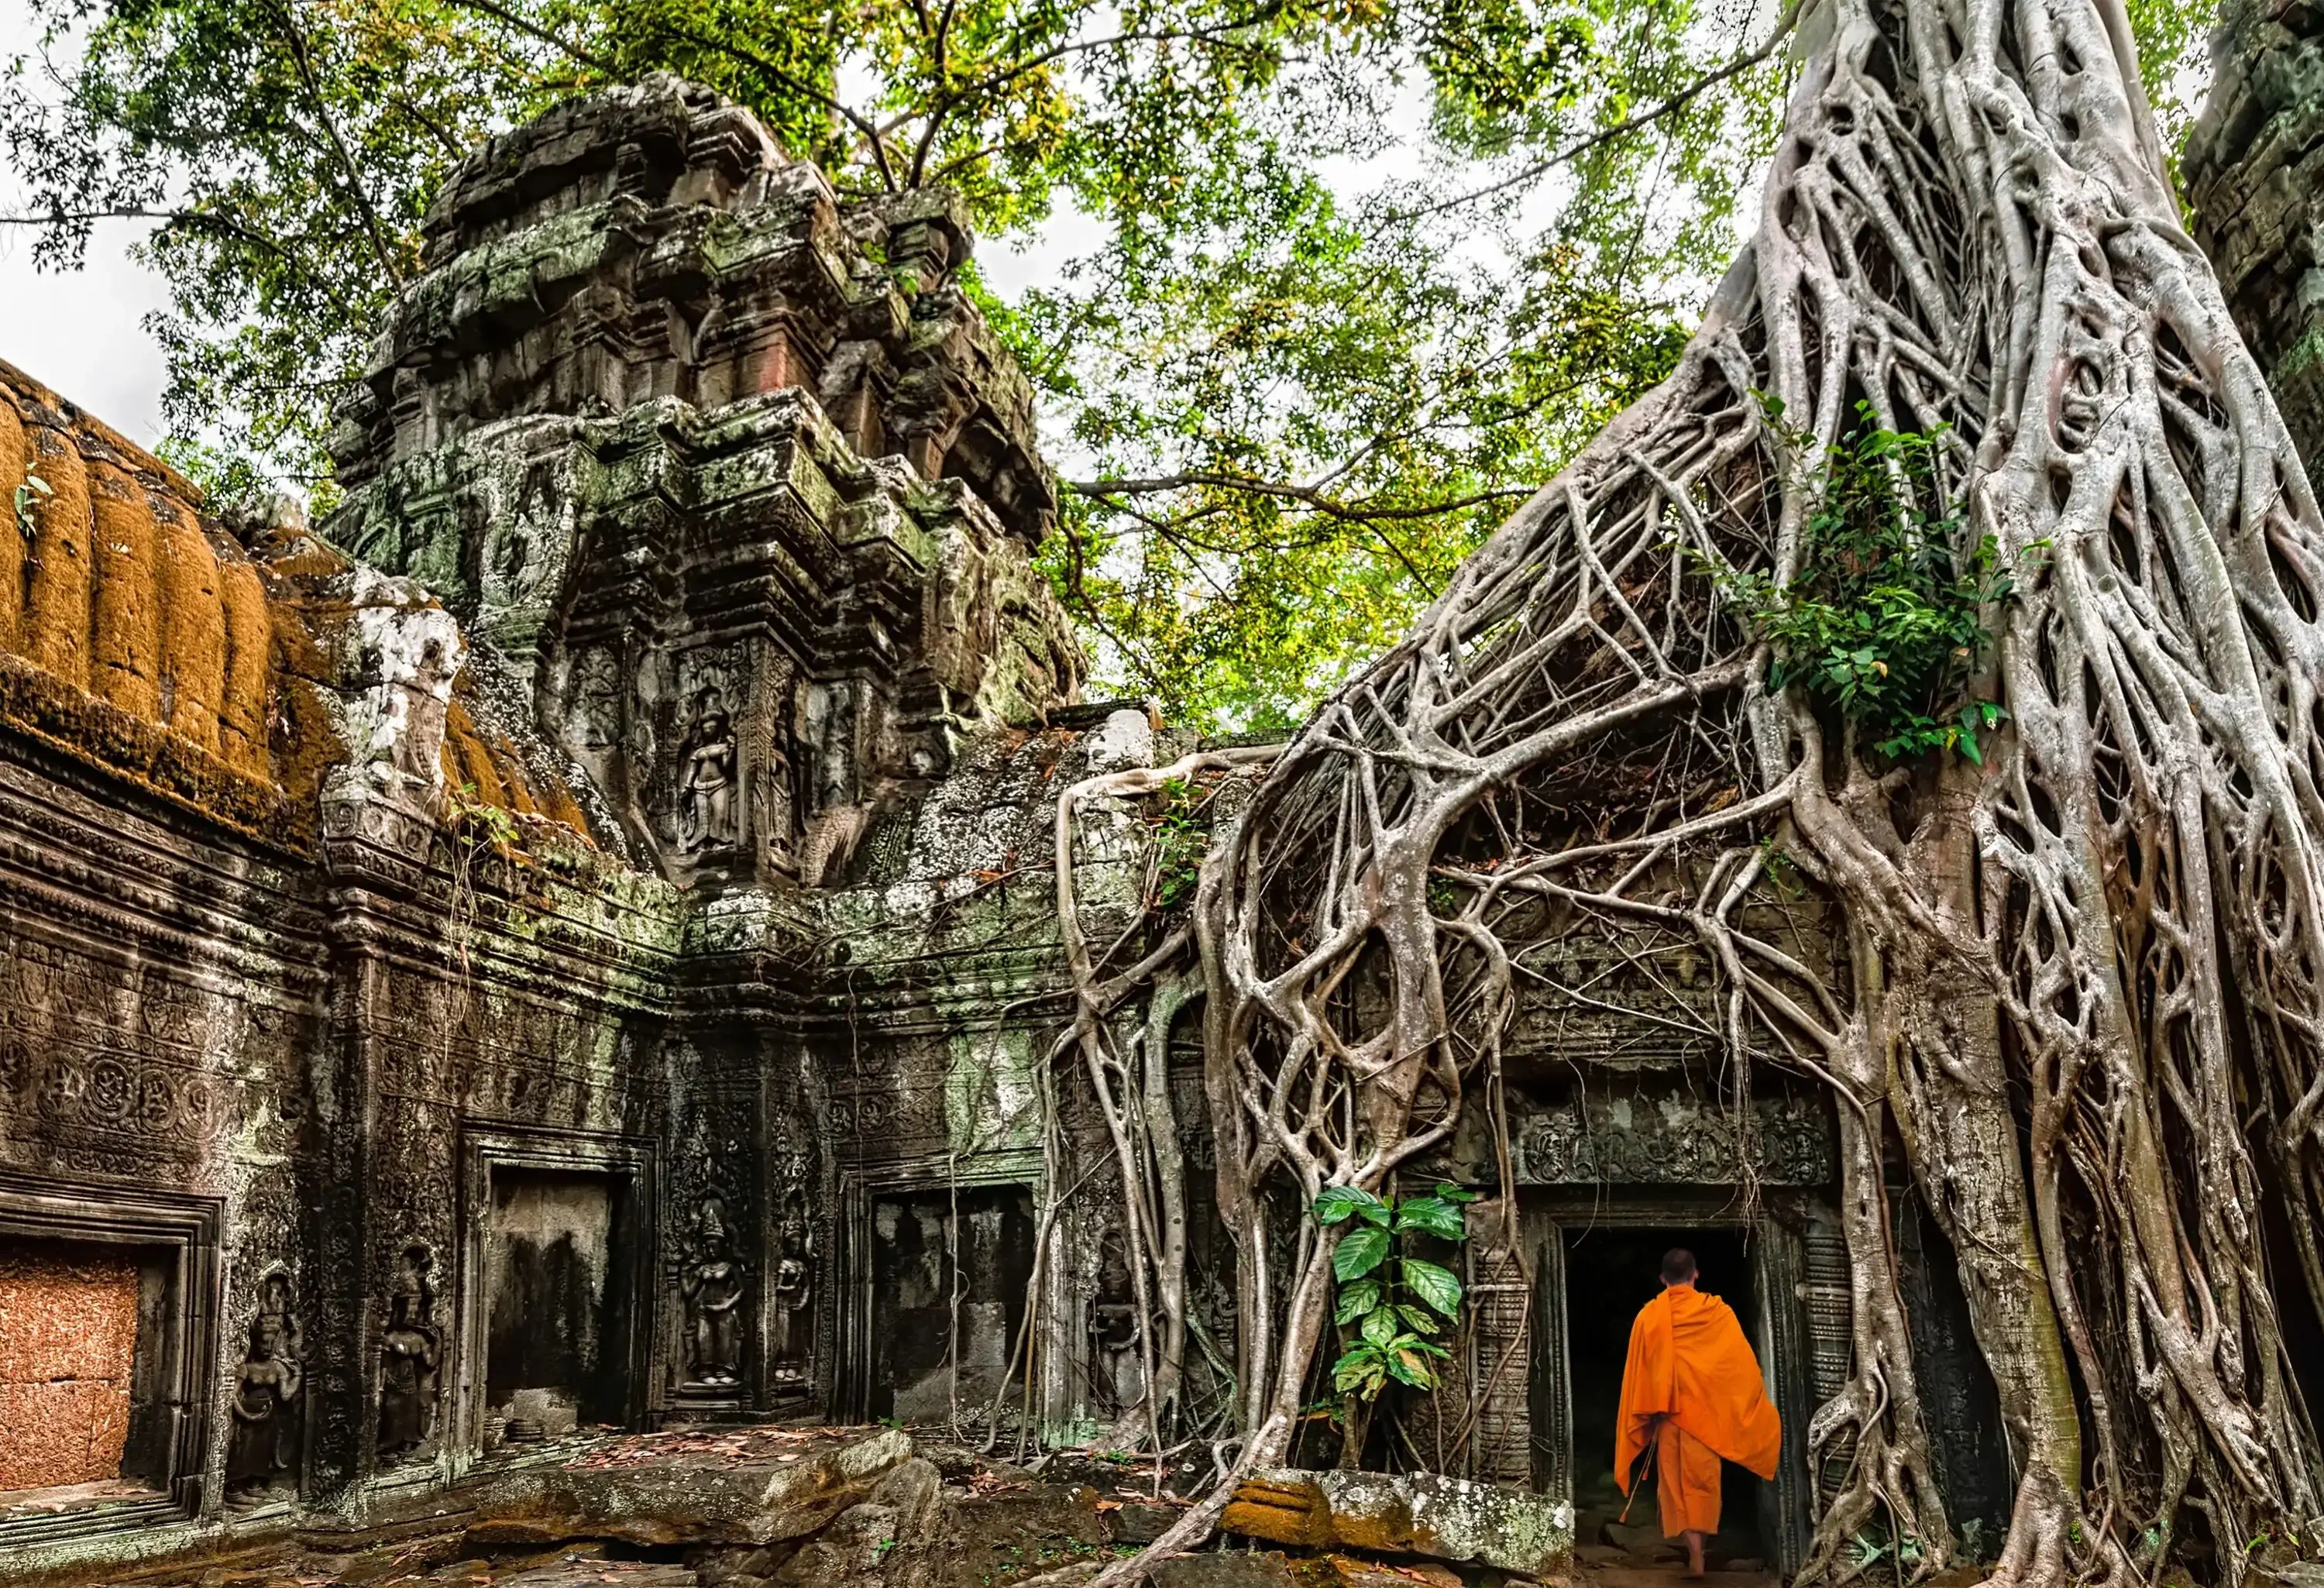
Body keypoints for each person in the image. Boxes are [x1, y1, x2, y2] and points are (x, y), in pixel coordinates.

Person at [1614, 1247, 1783, 1579]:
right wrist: (1740, 1405)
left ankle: (1694, 1555)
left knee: (1676, 1487)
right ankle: (1698, 1554)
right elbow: (1740, 1368)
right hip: (1706, 1420)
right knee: (1701, 1485)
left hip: (1668, 1420)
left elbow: (1638, 1372)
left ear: (1663, 1279)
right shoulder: (1716, 1313)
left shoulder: (1648, 1316)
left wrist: (1649, 1411)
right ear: (1696, 1274)